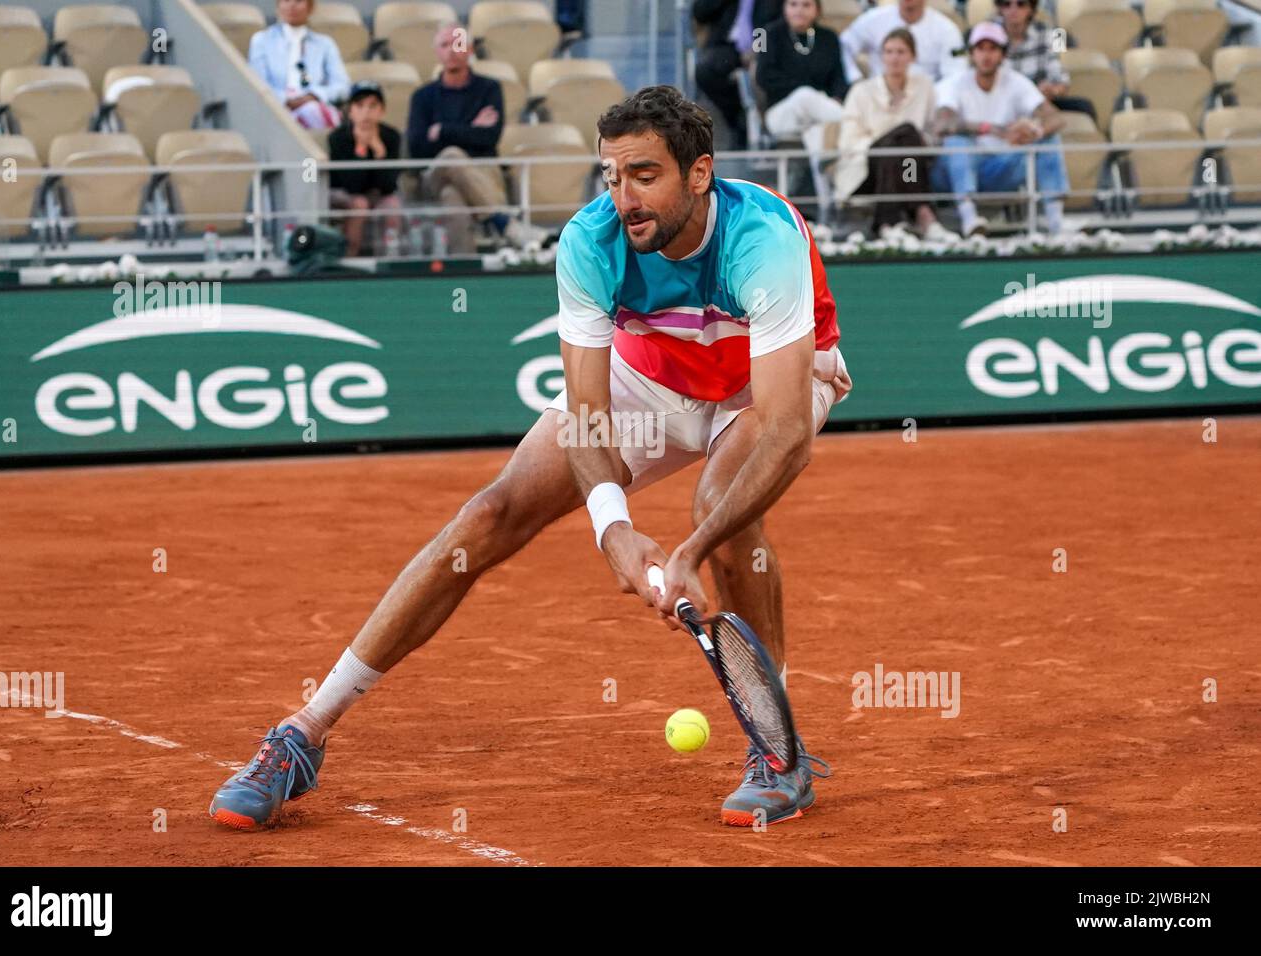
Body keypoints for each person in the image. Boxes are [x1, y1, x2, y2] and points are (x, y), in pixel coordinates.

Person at [208, 85, 853, 831]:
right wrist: (613, 530)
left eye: (644, 175)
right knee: (489, 512)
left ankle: (779, 753)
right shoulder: (590, 239)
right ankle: (303, 734)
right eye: (611, 177)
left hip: (766, 386)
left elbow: (779, 428)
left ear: (699, 174)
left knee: (723, 508)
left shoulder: (763, 235)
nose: (624, 197)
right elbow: (587, 411)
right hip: (652, 376)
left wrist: (691, 550)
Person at [406, 23, 545, 250]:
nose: (451, 50)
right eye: (444, 44)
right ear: (436, 52)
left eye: (458, 43)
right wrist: (470, 128)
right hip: (436, 174)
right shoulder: (422, 97)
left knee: (453, 199)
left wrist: (442, 130)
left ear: (470, 50)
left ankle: (464, 276)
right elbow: (418, 148)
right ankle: (505, 224)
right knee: (451, 156)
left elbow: (489, 139)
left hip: (481, 172)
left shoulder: (489, 89)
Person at [931, 21, 1069, 236]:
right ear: (971, 53)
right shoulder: (954, 84)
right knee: (957, 141)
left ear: (1003, 54)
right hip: (959, 168)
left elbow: (1056, 118)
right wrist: (990, 129)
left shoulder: (1016, 82)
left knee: (1049, 140)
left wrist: (1033, 131)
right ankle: (969, 217)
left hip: (1002, 166)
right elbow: (942, 124)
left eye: (993, 49)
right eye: (980, 48)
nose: (986, 55)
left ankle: (1056, 222)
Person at [837, 28, 954, 240]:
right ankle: (923, 214)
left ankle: (887, 223)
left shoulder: (924, 86)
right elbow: (849, 142)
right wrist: (885, 143)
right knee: (903, 135)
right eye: (889, 52)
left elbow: (931, 133)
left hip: (910, 168)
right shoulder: (861, 91)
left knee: (906, 139)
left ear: (913, 56)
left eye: (901, 52)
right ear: (881, 56)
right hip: (866, 170)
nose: (894, 58)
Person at [755, 0, 849, 155]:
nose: (799, 10)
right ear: (784, 8)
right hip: (782, 113)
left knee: (818, 135)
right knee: (804, 95)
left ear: (817, 10)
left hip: (820, 116)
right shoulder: (766, 34)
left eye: (806, 5)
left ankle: (822, 179)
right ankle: (851, 122)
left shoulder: (830, 37)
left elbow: (839, 77)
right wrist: (809, 92)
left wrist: (837, 96)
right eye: (793, 4)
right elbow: (763, 76)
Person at [692, 0, 782, 149]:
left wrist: (757, 49)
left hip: (763, 46)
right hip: (726, 45)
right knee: (705, 71)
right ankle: (737, 118)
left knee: (764, 72)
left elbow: (775, 20)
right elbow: (700, 13)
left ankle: (763, 128)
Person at [328, 82, 403, 256]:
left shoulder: (391, 137)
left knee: (392, 205)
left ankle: (389, 260)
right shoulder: (338, 138)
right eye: (359, 106)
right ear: (350, 111)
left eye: (372, 106)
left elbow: (389, 186)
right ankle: (349, 257)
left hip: (377, 194)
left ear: (381, 111)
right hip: (341, 193)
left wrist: (379, 151)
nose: (366, 112)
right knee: (359, 204)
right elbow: (351, 185)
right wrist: (361, 149)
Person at [248, 0, 348, 130]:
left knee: (312, 110)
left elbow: (342, 86)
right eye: (286, 0)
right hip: (275, 109)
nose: (292, 5)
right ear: (278, 6)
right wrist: (286, 100)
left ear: (310, 7)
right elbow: (258, 83)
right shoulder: (261, 40)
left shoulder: (325, 44)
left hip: (313, 107)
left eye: (298, 1)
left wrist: (313, 96)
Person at [995, 0, 1096, 121]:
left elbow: (1062, 81)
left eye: (1021, 4)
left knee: (1084, 106)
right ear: (999, 8)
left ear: (1031, 9)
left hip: (1039, 100)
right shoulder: (987, 33)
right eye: (1007, 4)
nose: (1013, 9)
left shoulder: (1050, 32)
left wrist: (1052, 90)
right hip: (1000, 101)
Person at [839, 0, 964, 85]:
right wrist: (855, 78)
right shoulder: (872, 19)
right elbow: (844, 45)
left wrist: (936, 98)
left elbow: (957, 71)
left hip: (926, 100)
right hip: (878, 96)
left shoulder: (950, 30)